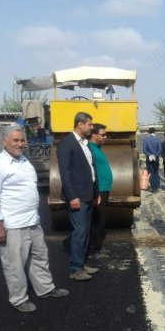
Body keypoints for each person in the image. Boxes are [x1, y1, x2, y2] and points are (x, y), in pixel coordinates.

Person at [0, 126, 69, 313]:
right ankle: (18, 299)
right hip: (12, 225)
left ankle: (45, 288)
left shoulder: (24, 161)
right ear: (4, 142)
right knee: (14, 264)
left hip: (32, 220)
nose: (20, 144)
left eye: (22, 140)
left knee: (39, 257)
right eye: (15, 140)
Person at [57, 112, 100, 281]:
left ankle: (82, 263)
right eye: (90, 124)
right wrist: (72, 196)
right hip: (78, 197)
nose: (91, 127)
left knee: (86, 231)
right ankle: (75, 269)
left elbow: (91, 169)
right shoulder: (67, 144)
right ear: (80, 124)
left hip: (88, 195)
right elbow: (66, 174)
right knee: (80, 231)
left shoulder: (85, 144)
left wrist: (96, 194)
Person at [88, 123, 113, 252]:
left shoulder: (96, 148)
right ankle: (93, 247)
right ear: (93, 135)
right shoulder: (90, 149)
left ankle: (95, 244)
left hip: (103, 189)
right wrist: (95, 192)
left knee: (100, 218)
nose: (105, 137)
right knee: (97, 219)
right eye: (102, 135)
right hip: (99, 189)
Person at [143, 127, 162, 192]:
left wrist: (149, 155)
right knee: (156, 172)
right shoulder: (157, 139)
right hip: (156, 158)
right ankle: (157, 187)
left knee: (150, 173)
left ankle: (153, 188)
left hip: (149, 159)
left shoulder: (146, 139)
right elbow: (159, 149)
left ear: (148, 132)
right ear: (155, 132)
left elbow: (144, 149)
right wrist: (155, 155)